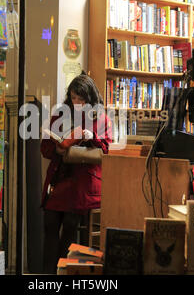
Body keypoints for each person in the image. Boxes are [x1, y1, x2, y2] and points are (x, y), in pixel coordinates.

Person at [40, 72, 112, 274]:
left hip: (84, 183)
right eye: (73, 98)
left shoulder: (102, 117)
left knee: (71, 225)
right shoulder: (60, 115)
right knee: (50, 222)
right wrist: (58, 149)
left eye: (81, 98)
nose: (77, 102)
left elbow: (106, 149)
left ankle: (65, 270)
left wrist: (92, 137)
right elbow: (44, 147)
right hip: (59, 178)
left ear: (90, 98)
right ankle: (48, 273)